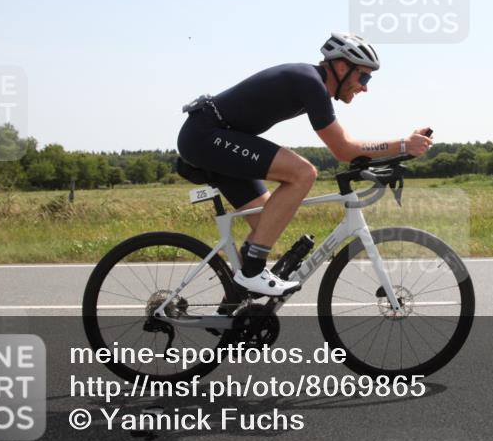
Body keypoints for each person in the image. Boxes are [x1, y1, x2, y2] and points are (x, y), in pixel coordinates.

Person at [177, 33, 433, 297]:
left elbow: (349, 149)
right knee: (303, 173)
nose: (365, 87)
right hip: (205, 136)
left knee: (267, 220)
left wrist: (395, 154)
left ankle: (238, 309)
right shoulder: (311, 83)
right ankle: (252, 272)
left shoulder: (312, 82)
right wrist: (404, 144)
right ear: (342, 67)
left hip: (213, 137)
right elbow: (343, 148)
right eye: (364, 77)